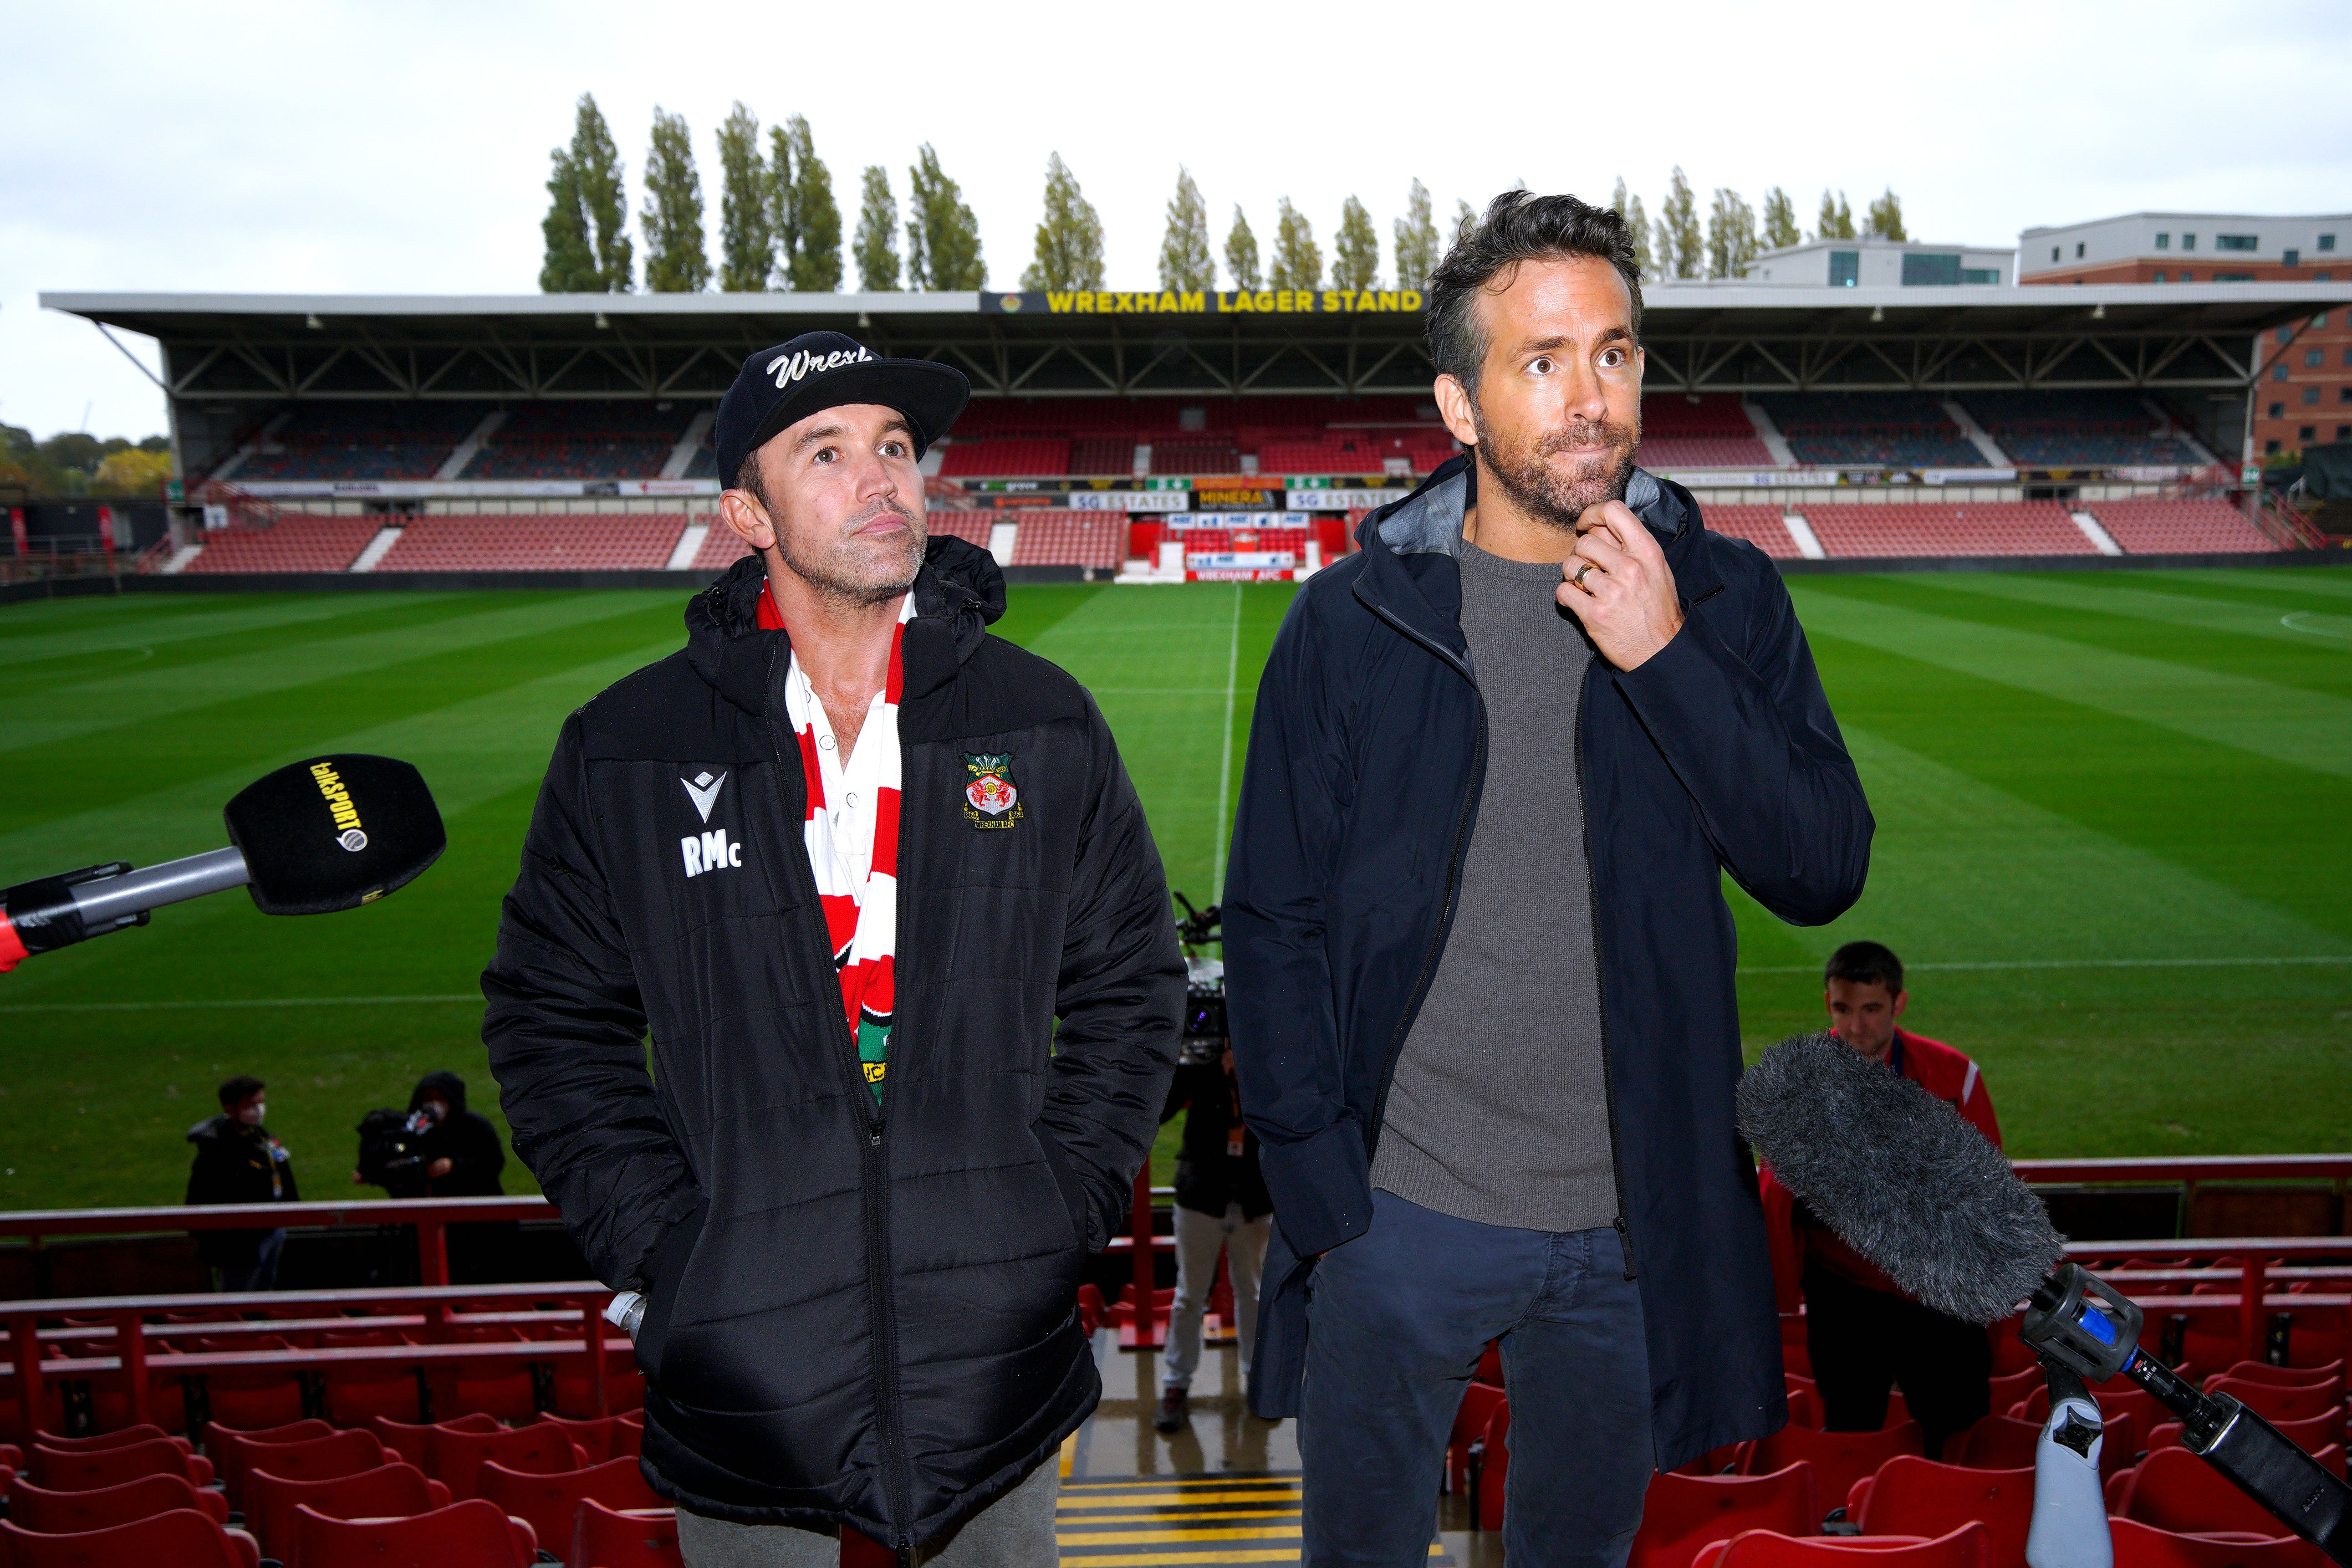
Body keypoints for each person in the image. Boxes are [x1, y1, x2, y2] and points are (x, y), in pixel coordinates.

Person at [1223, 190, 1874, 1568]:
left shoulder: (1722, 597)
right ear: (1457, 406)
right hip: (1395, 1217)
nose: (1590, 397)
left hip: (1628, 1230)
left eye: (1614, 352)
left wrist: (1662, 657)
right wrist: (1322, 1191)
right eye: (1541, 361)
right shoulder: (1348, 624)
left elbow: (1818, 867)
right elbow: (1272, 914)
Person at [483, 330, 1184, 1566]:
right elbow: (550, 1022)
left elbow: (1130, 985)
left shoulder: (1038, 718)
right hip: (745, 1374)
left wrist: (1050, 1207)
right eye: (829, 451)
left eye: (898, 448)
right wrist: (666, 1251)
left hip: (993, 1369)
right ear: (745, 512)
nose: (883, 480)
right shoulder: (629, 746)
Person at [1760, 941, 2000, 1460]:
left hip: (1939, 1292)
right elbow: (1775, 1199)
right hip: (1844, 1295)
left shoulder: (1954, 1076)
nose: (1855, 1027)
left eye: (1870, 1009)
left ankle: (1950, 1527)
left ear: (1899, 1003)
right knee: (1851, 1432)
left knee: (1957, 1428)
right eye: (1842, 1009)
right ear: (1827, 1003)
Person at [1153, 1043, 1272, 1435]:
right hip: (1201, 1201)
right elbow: (1162, 1109)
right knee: (1190, 1295)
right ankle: (1176, 1384)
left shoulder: (1269, 1075)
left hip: (1252, 1203)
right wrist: (1192, 1064)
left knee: (1252, 1293)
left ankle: (1257, 1381)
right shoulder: (1199, 1073)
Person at [184, 1075, 298, 1292]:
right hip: (237, 1241)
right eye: (250, 1105)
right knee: (237, 1296)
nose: (258, 1109)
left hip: (271, 1226)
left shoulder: (259, 1136)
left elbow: (280, 1170)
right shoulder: (216, 1151)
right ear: (230, 1108)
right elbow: (200, 1195)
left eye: (260, 1103)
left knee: (262, 1291)